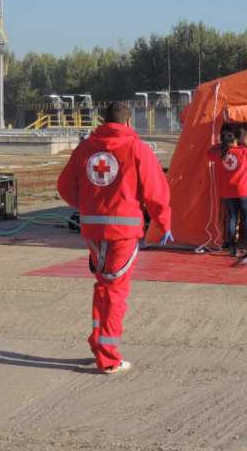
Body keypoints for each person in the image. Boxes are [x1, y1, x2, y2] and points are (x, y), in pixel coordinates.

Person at [57, 102, 172, 374]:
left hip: (93, 232)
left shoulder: (84, 148)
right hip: (124, 234)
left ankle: (98, 344)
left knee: (103, 287)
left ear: (104, 121)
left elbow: (65, 187)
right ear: (128, 122)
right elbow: (156, 191)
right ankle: (108, 358)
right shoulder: (137, 149)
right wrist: (164, 222)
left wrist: (87, 206)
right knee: (115, 292)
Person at [207, 127, 247, 257]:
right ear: (235, 141)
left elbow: (208, 152)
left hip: (228, 192)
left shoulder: (218, 154)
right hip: (244, 191)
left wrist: (222, 144)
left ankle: (232, 248)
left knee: (232, 219)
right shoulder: (244, 152)